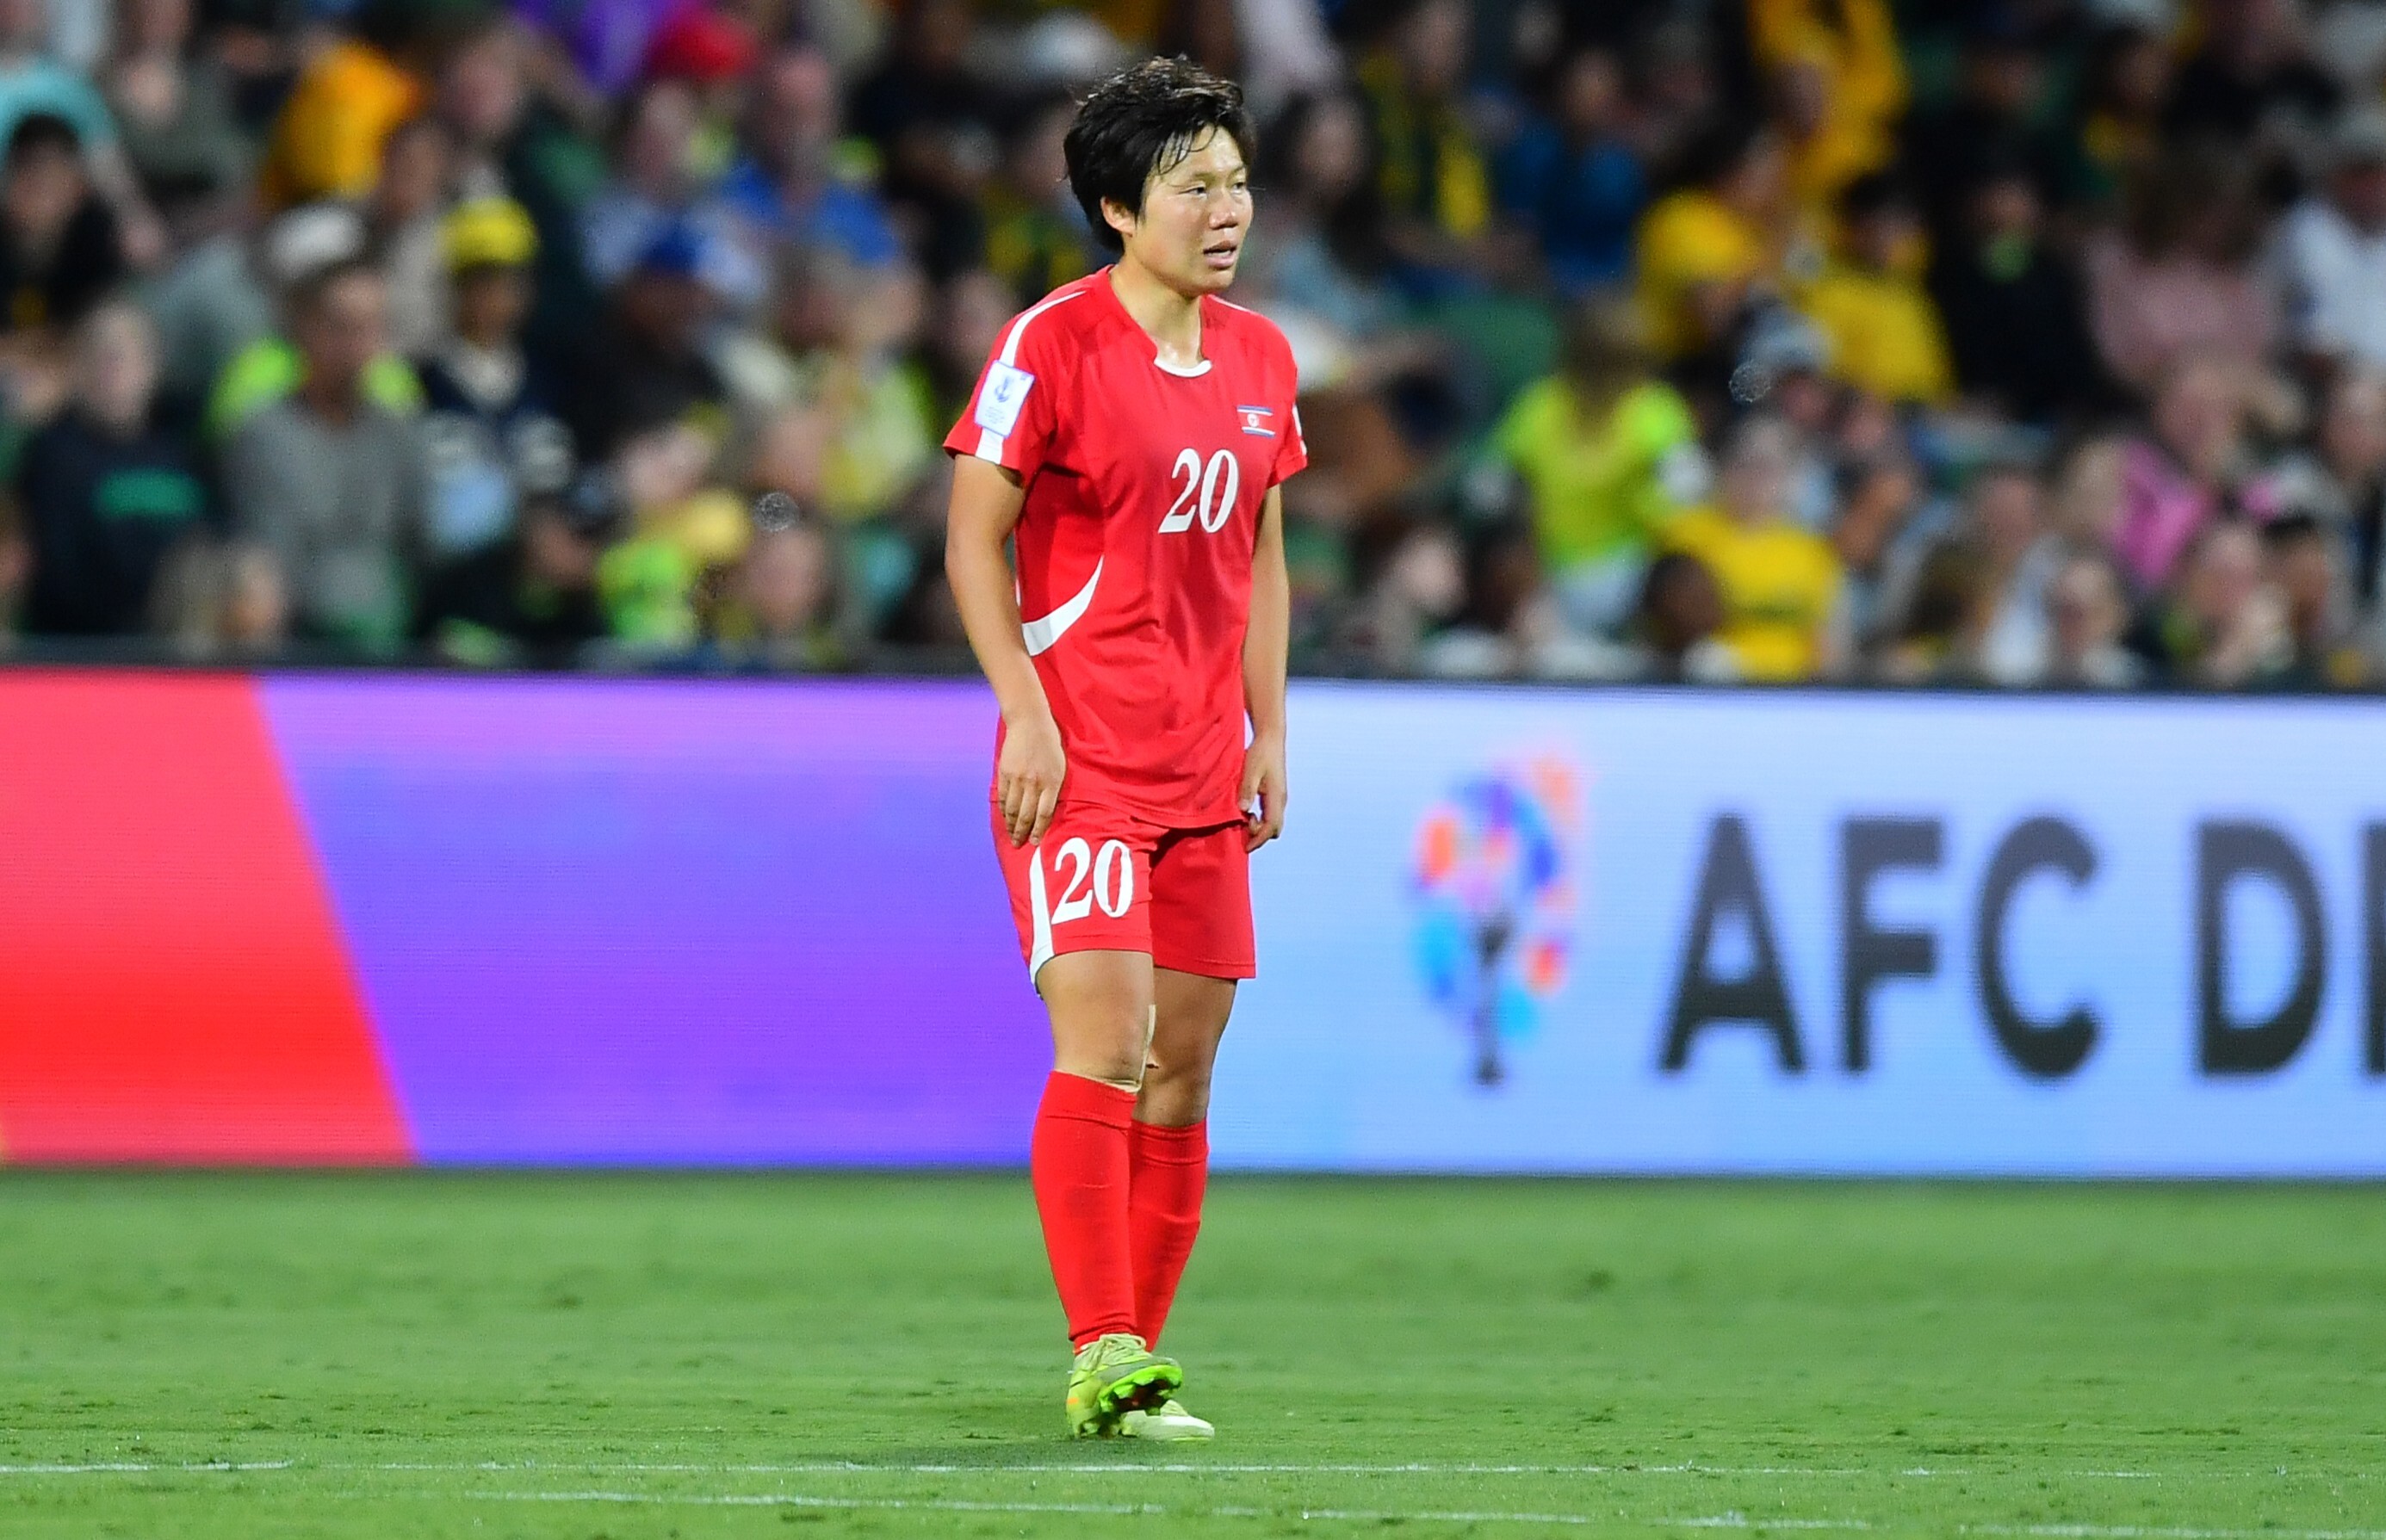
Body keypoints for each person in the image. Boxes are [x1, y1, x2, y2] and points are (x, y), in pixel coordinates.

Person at [941, 57, 1300, 1443]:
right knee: (1106, 1042)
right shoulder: (1051, 344)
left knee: (1185, 1069)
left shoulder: (1262, 359)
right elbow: (971, 540)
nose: (1227, 210)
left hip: (1204, 768)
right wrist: (1024, 711)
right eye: (1192, 186)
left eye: (1235, 182)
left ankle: (1135, 1363)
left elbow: (1259, 554)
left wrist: (1270, 727)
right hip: (1078, 764)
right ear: (1114, 206)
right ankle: (1100, 1346)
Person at [221, 257, 427, 652]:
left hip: (398, 649)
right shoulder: (262, 437)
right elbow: (267, 565)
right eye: (343, 326)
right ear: (305, 328)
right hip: (297, 648)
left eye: (371, 327)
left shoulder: (400, 435)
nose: (358, 345)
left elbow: (423, 550)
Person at [16, 300, 209, 635]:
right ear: (77, 369)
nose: (114, 371)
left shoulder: (181, 450)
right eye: (102, 357)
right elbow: (60, 571)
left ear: (153, 367)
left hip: (184, 637)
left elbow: (208, 538)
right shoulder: (52, 455)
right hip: (91, 644)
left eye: (126, 357)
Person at [1662, 414, 1844, 681]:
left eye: (1767, 467)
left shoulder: (1810, 552)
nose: (1754, 478)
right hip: (1712, 686)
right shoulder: (1687, 537)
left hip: (1792, 689)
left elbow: (1827, 642)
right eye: (1744, 463)